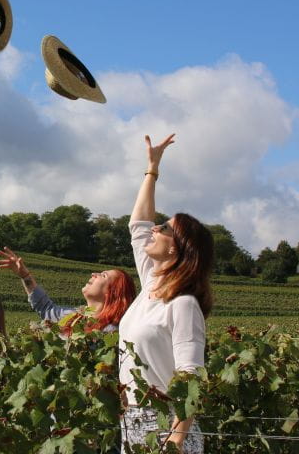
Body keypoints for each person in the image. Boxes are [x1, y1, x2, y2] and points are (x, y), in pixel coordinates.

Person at [118, 134, 214, 453]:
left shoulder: (183, 304)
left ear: (176, 247)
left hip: (167, 425)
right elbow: (138, 225)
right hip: (133, 421)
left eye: (164, 228)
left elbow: (191, 376)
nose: (155, 228)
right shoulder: (151, 284)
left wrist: (175, 440)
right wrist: (152, 169)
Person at [0, 246, 135, 336]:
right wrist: (25, 276)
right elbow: (45, 308)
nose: (94, 274)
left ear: (112, 293)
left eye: (103, 275)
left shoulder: (112, 332)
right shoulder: (73, 317)